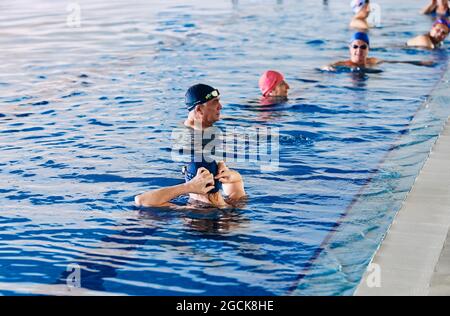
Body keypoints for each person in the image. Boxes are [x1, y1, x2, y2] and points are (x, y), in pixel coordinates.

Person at [134, 160, 246, 208]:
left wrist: (187, 187)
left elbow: (141, 200)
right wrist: (228, 171)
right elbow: (237, 181)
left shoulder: (189, 209)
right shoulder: (235, 203)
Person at [322, 32, 435, 71]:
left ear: (368, 49)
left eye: (363, 47)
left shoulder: (372, 61)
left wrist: (420, 63)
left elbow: (395, 62)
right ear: (350, 48)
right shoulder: (344, 64)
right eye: (355, 46)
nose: (359, 50)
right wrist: (327, 67)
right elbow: (328, 66)